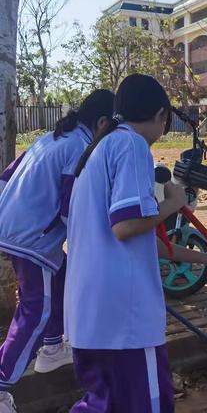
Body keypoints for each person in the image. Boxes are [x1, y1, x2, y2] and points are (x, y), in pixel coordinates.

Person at [65, 74, 207, 413]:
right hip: (123, 321)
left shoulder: (100, 148)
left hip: (90, 319)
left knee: (103, 405)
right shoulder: (131, 145)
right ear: (160, 115)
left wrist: (205, 259)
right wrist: (174, 203)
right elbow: (126, 226)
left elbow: (139, 240)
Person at [0, 90, 115, 413]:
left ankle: (51, 349)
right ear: (103, 122)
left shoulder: (51, 138)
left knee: (61, 277)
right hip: (32, 238)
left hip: (16, 228)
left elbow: (6, 176)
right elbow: (71, 209)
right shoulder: (80, 147)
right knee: (36, 310)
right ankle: (1, 385)